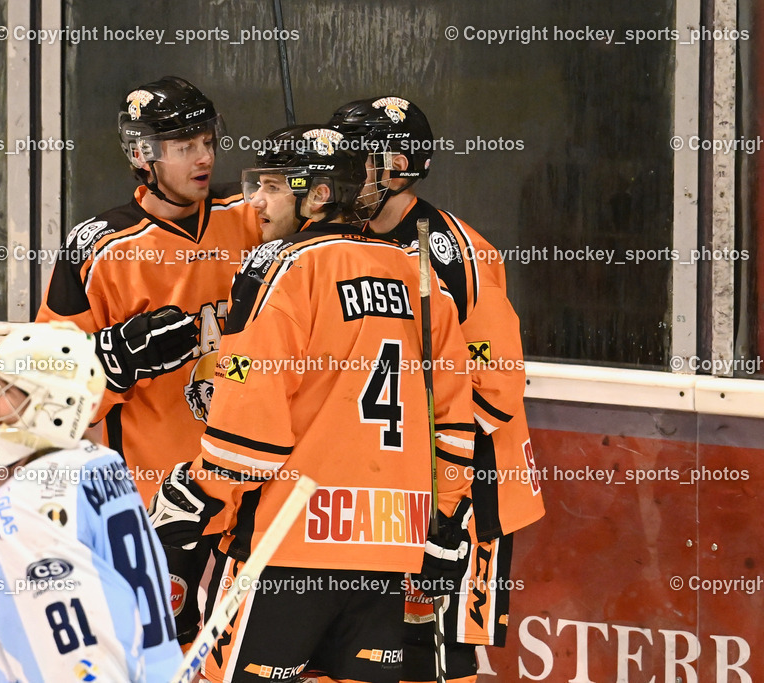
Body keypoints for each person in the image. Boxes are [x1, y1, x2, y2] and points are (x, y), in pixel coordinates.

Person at [149, 125, 475, 683]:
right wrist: (445, 514)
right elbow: (452, 420)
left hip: (287, 545)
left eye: (272, 186)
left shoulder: (277, 265)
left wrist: (200, 495)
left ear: (319, 194)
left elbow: (252, 426)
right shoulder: (418, 273)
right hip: (387, 550)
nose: (254, 200)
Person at [34, 76, 262, 646]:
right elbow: (39, 398)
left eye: (208, 141)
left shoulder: (254, 216)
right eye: (185, 147)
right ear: (143, 155)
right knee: (154, 651)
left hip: (252, 483)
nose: (205, 157)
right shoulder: (99, 249)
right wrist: (114, 360)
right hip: (156, 504)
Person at [329, 96, 546, 683]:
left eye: (357, 158)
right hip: (400, 484)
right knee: (383, 643)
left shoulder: (454, 254)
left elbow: (495, 384)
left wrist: (446, 498)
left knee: (445, 651)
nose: (342, 170)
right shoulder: (342, 239)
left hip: (472, 485)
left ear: (396, 165)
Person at [0, 321, 182, 682]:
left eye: (9, 389)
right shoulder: (104, 466)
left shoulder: (24, 508)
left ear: (52, 405)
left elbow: (73, 654)